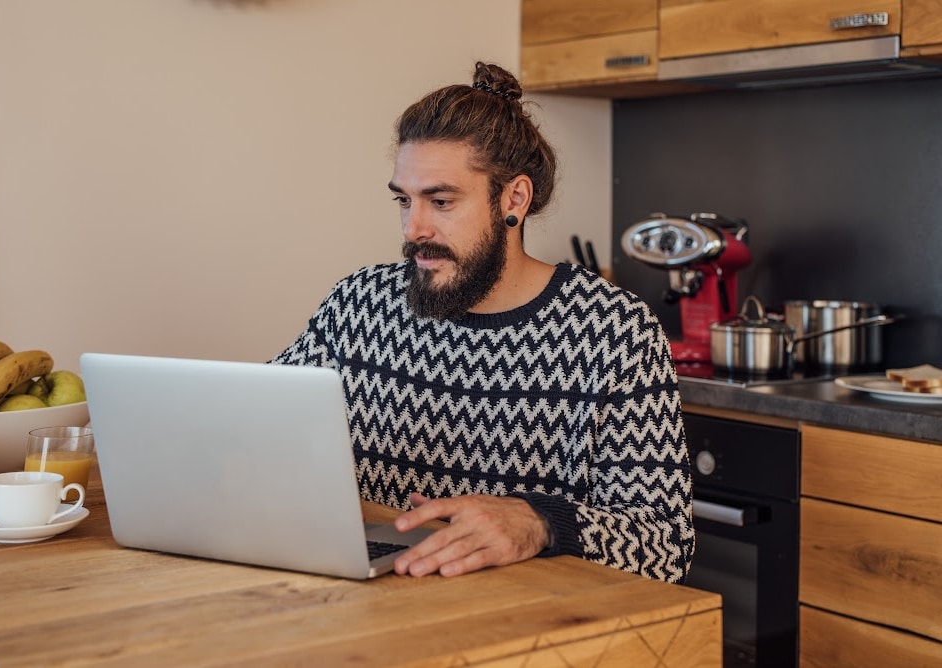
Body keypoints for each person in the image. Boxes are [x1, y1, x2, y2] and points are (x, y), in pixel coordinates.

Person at [271, 62, 694, 583]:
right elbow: (259, 426)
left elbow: (665, 543)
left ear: (513, 199)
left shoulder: (614, 332)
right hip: (366, 608)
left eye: (441, 201)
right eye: (404, 200)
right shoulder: (360, 303)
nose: (414, 228)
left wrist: (540, 522)